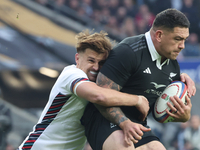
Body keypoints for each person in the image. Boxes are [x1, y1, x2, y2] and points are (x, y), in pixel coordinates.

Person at [81, 8, 196, 150]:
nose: (182, 46)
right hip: (102, 118)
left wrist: (182, 115)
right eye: (178, 39)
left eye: (184, 40)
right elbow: (100, 96)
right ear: (159, 35)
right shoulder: (128, 52)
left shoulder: (173, 67)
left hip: (137, 123)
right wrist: (124, 123)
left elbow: (157, 112)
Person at [18, 30, 150, 150]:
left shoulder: (102, 86)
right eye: (91, 60)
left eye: (101, 63)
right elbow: (99, 96)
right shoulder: (72, 74)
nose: (96, 67)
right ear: (77, 59)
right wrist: (137, 99)